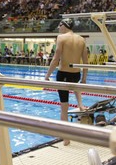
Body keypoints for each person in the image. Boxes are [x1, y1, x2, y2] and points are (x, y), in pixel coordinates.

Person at [45, 18, 88, 146]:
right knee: (75, 87)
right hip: (76, 74)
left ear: (65, 26)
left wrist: (47, 76)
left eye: (60, 25)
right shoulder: (81, 39)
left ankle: (66, 137)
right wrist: (84, 78)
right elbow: (85, 61)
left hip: (63, 74)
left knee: (64, 107)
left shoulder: (61, 38)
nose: (59, 27)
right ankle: (81, 104)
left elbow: (56, 58)